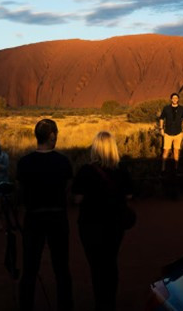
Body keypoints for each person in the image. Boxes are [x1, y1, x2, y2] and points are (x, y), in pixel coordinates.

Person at [72, 131, 134, 311]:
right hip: (115, 225)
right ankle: (110, 303)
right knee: (110, 261)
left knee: (96, 265)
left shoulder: (85, 171)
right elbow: (129, 194)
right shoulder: (121, 170)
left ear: (95, 149)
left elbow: (77, 199)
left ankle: (101, 303)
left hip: (90, 225)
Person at [16, 119, 74, 311]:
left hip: (33, 218)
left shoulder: (24, 163)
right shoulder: (63, 162)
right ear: (52, 136)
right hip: (57, 217)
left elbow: (21, 191)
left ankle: (26, 306)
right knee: (62, 268)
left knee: (30, 267)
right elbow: (67, 189)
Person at [158, 92, 183, 171]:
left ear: (178, 99)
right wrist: (161, 129)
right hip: (168, 133)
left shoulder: (182, 109)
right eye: (173, 98)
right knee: (165, 151)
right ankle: (163, 169)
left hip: (178, 133)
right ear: (171, 99)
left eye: (176, 98)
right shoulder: (166, 108)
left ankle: (176, 168)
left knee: (176, 151)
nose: (175, 99)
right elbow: (161, 118)